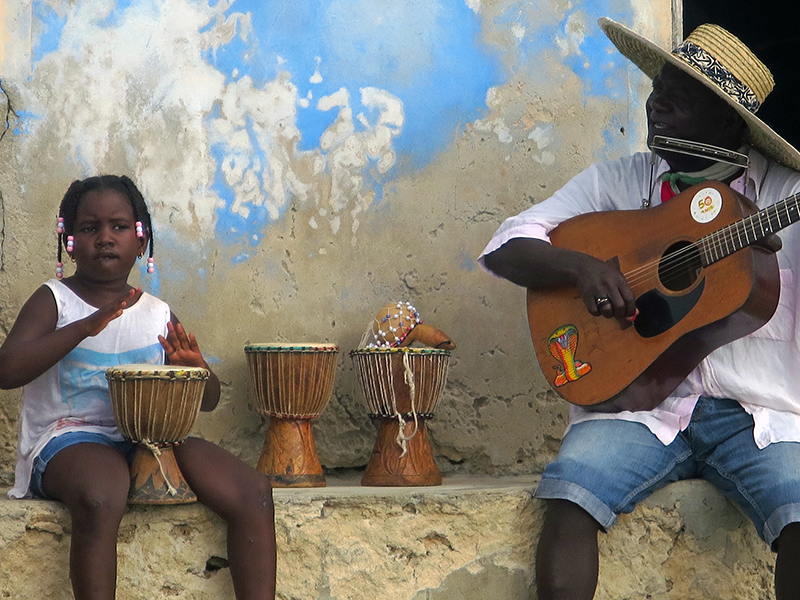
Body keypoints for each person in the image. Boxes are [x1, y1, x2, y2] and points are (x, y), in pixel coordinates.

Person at [480, 17, 800, 600]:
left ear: (728, 122)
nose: (656, 108)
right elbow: (506, 246)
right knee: (571, 495)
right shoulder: (622, 183)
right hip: (641, 410)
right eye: (657, 92)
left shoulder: (785, 198)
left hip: (760, 418)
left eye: (677, 101)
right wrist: (580, 268)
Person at [0, 175, 277, 600]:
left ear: (141, 239)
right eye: (90, 228)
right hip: (63, 440)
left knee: (253, 490)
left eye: (119, 227)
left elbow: (208, 400)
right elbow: (7, 370)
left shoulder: (156, 313)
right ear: (69, 239)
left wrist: (196, 369)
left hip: (148, 438)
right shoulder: (55, 300)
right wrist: (83, 327)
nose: (105, 238)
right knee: (102, 491)